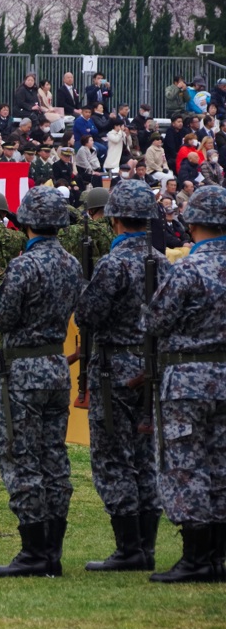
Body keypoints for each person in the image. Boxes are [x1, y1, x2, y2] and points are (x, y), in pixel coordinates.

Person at [0, 185, 82, 577]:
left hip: (22, 370)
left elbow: (3, 318)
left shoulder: (23, 265)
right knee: (54, 458)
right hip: (56, 365)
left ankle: (34, 551)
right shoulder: (72, 264)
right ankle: (51, 549)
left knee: (21, 457)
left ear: (27, 224)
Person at [74, 180, 168, 572]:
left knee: (113, 458)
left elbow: (87, 315)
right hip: (151, 369)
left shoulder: (113, 264)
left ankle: (128, 548)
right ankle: (144, 546)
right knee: (146, 458)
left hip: (114, 370)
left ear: (114, 220)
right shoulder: (163, 261)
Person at [142, 185, 226, 582]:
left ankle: (196, 558)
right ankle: (218, 557)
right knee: (222, 464)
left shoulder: (188, 269)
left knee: (187, 466)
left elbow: (155, 322)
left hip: (189, 380)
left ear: (192, 224)